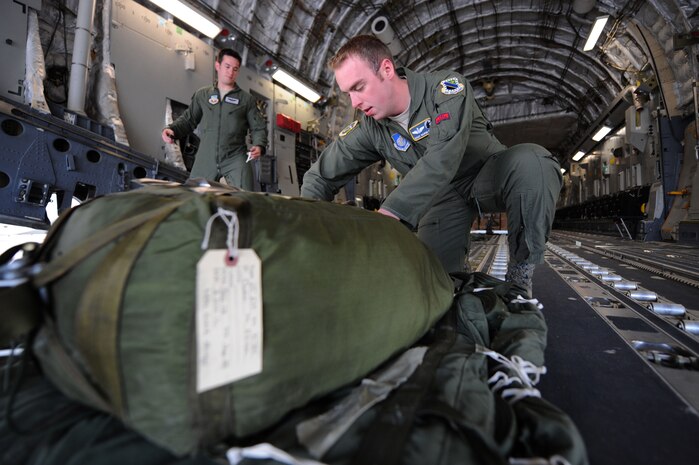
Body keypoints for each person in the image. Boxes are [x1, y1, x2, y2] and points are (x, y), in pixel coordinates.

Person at [301, 35, 562, 295]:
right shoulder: (370, 127)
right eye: (348, 93)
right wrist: (308, 228)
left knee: (533, 162)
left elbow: (443, 155)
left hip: (487, 174)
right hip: (441, 199)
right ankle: (457, 274)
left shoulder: (445, 89)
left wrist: (391, 214)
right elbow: (320, 177)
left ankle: (519, 277)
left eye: (359, 87)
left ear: (386, 70)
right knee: (433, 286)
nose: (354, 102)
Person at [162, 49, 267, 190]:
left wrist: (259, 145)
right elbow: (189, 120)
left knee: (245, 195)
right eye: (227, 67)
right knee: (195, 194)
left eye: (235, 69)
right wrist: (172, 129)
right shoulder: (203, 95)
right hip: (207, 155)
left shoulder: (246, 100)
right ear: (218, 65)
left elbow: (258, 127)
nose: (231, 72)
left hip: (235, 156)